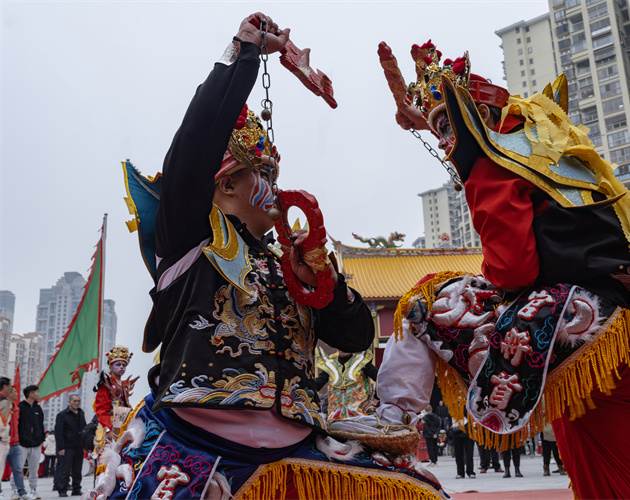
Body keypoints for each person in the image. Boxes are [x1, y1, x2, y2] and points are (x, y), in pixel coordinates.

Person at [91, 13, 445, 500]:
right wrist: (245, 53)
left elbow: (358, 336)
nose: (277, 189)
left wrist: (324, 283)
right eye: (265, 174)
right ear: (227, 183)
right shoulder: (189, 242)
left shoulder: (291, 261)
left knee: (419, 492)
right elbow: (195, 145)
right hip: (195, 446)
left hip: (297, 453)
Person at [331, 41, 630, 499]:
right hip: (622, 328)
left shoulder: (490, 162)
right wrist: (430, 116)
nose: (445, 141)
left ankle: (395, 420)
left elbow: (513, 270)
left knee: (423, 298)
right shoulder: (539, 142)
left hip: (577, 331)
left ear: (477, 116)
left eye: (448, 124)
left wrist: (491, 284)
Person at [92, 345, 137, 463]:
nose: (121, 367)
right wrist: (108, 431)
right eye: (118, 364)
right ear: (111, 367)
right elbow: (101, 409)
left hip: (123, 426)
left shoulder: (124, 385)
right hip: (109, 426)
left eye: (124, 365)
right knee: (106, 463)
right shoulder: (106, 384)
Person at [314, 349, 377, 420]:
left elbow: (381, 379)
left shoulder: (362, 362)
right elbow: (316, 385)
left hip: (359, 417)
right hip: (335, 418)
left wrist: (374, 400)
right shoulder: (330, 364)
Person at [0, 378, 33, 500]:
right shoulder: (3, 403)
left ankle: (21, 492)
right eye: (13, 390)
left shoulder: (16, 408)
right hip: (2, 441)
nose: (16, 393)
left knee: (18, 469)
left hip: (13, 444)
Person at [11, 385, 44, 499]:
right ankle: (15, 491)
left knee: (34, 469)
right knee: (18, 468)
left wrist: (41, 438)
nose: (38, 394)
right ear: (31, 394)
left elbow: (41, 424)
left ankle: (33, 490)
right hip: (22, 444)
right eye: (36, 392)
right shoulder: (20, 407)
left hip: (36, 443)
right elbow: (16, 425)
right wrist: (19, 438)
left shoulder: (38, 408)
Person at [54, 395, 86, 497]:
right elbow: (58, 433)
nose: (77, 403)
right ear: (69, 402)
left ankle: (76, 489)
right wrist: (61, 448)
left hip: (79, 446)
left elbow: (84, 428)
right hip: (67, 447)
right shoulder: (62, 415)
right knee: (64, 470)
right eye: (74, 401)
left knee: (77, 470)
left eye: (78, 401)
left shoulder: (81, 413)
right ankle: (62, 490)